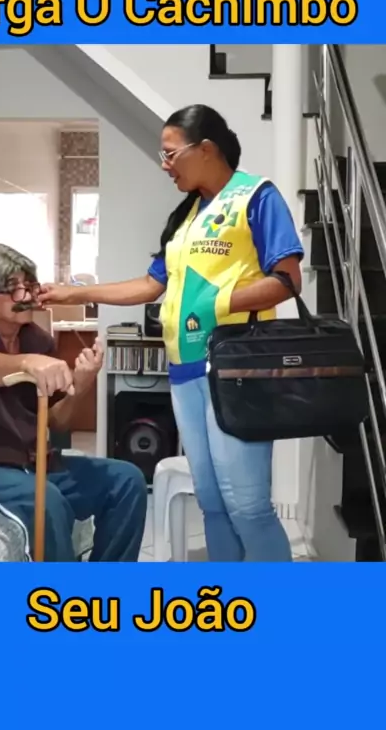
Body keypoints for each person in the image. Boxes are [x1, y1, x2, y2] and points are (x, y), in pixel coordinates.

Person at [39, 104, 305, 563]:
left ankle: (280, 603)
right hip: (185, 372)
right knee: (213, 504)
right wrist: (71, 293)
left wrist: (219, 303)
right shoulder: (188, 216)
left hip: (235, 370)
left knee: (248, 508)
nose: (164, 165)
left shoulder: (256, 196)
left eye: (169, 154)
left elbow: (287, 279)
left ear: (206, 149)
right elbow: (150, 285)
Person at [0, 241, 147, 562]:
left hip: (34, 464)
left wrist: (81, 384)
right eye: (13, 288)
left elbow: (58, 420)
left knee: (127, 480)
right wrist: (25, 364)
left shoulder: (37, 339)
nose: (26, 296)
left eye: (28, 285)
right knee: (47, 502)